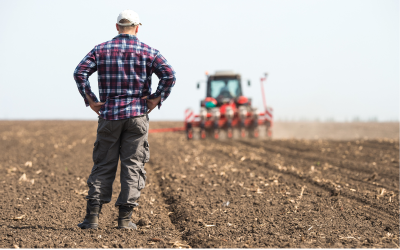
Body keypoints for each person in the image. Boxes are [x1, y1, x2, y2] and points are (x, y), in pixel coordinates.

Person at [73, 9, 176, 230]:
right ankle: (125, 220)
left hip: (109, 115)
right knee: (133, 166)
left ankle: (92, 219)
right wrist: (156, 98)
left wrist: (91, 100)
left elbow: (79, 72)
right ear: (138, 28)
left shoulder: (100, 50)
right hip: (137, 116)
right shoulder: (149, 52)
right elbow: (169, 75)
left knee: (103, 165)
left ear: (117, 27)